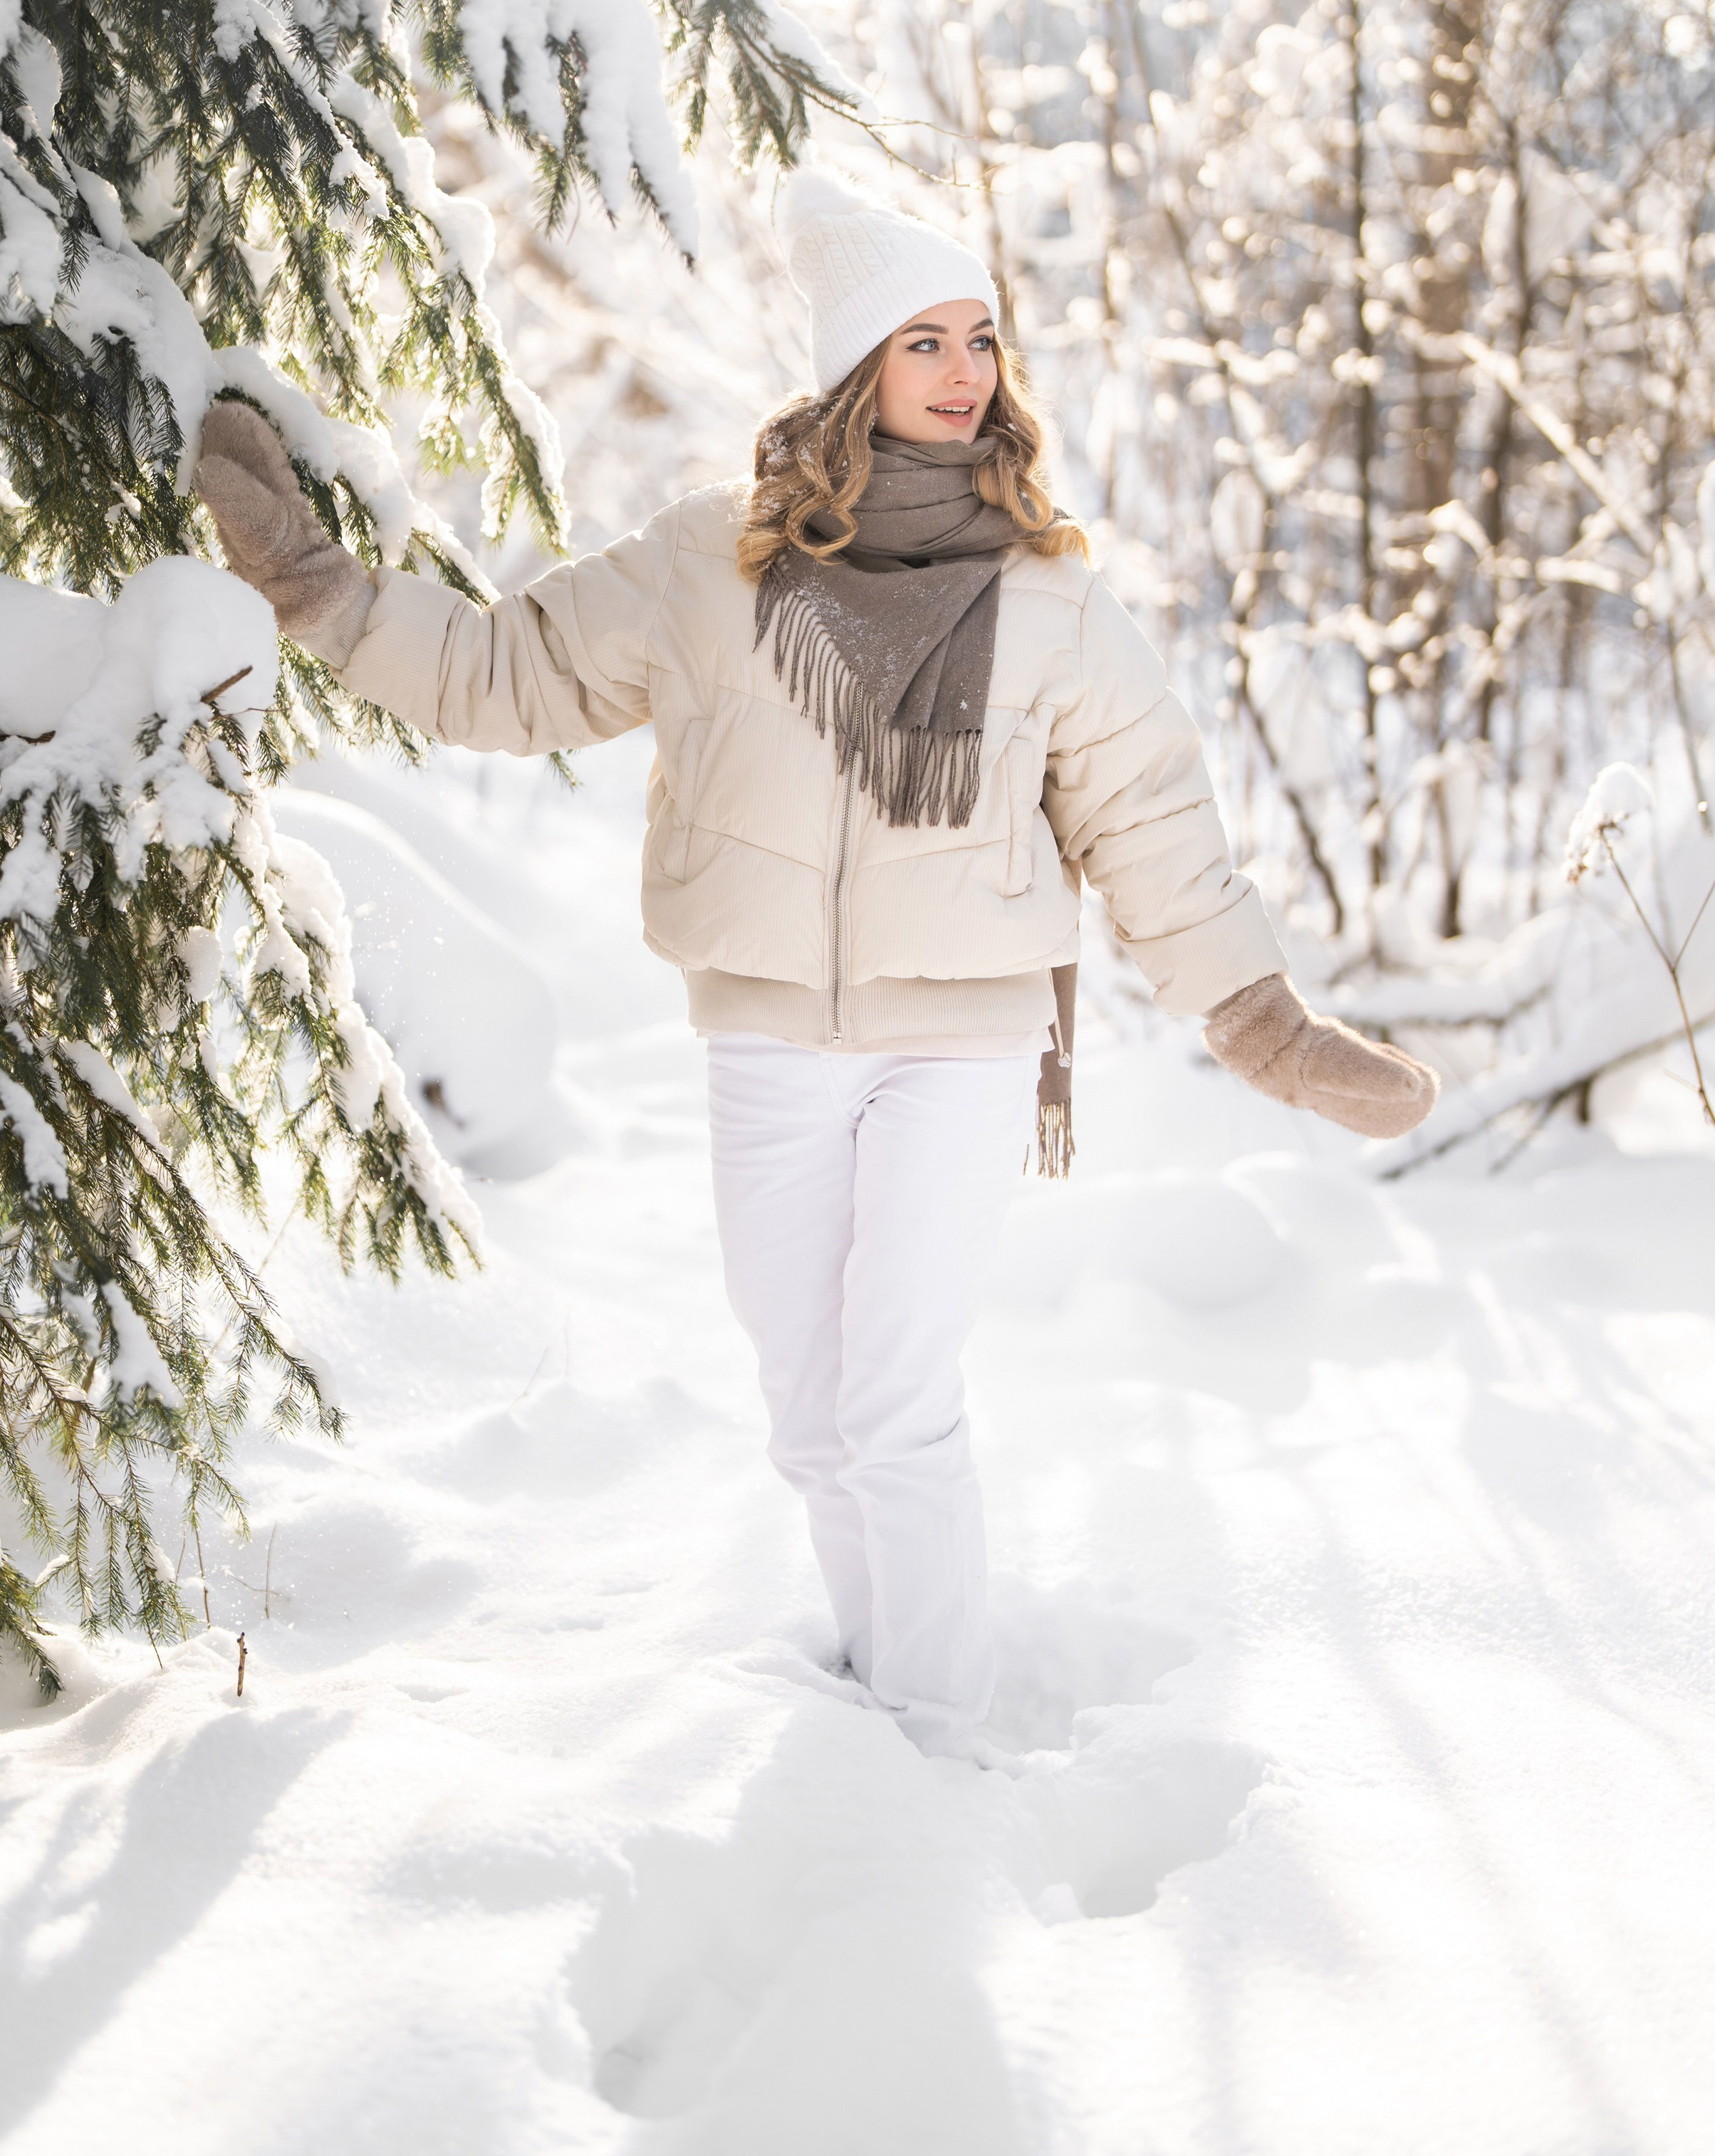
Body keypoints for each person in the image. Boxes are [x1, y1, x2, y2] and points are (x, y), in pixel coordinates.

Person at [195, 172, 1437, 1762]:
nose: (963, 370)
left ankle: (930, 1741)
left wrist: (1257, 1021)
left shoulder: (1050, 596)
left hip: (962, 1048)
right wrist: (319, 589)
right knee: (807, 1413)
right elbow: (513, 672)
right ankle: (874, 1692)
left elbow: (1149, 818)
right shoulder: (708, 566)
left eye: (979, 336)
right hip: (768, 1043)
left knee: (896, 1406)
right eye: (923, 340)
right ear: (856, 367)